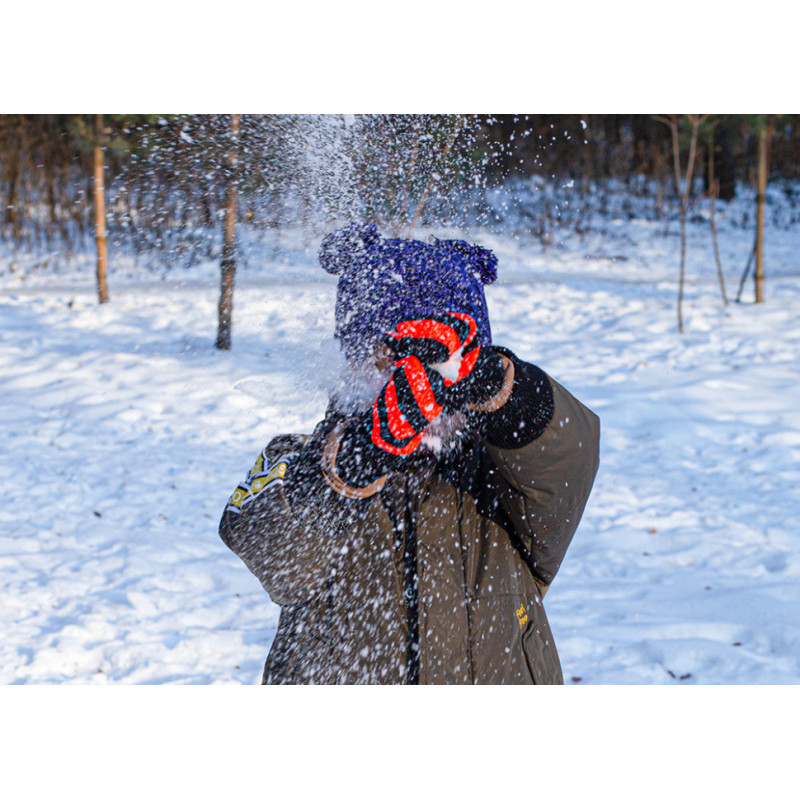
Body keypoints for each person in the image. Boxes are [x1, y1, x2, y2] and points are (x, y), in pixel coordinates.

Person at [219, 223, 600, 684]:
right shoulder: (304, 460)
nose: (411, 379)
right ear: (355, 361)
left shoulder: (503, 473)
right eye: (391, 357)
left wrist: (499, 386)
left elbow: (567, 454)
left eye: (432, 358)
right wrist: (358, 459)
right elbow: (273, 552)